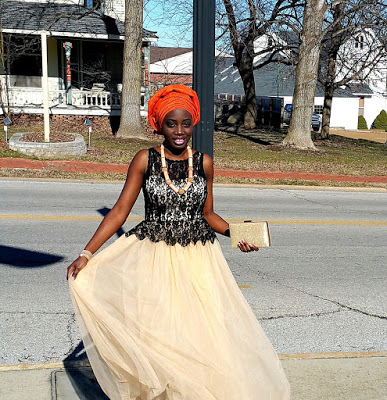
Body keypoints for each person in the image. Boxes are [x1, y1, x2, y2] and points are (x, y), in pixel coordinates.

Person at [67, 84, 290, 400]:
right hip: (155, 258)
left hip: (199, 259)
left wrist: (237, 234)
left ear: (194, 122)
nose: (180, 130)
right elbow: (119, 211)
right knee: (161, 335)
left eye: (186, 123)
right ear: (160, 124)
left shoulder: (205, 163)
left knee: (202, 335)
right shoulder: (145, 160)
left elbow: (209, 214)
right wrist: (87, 253)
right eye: (172, 123)